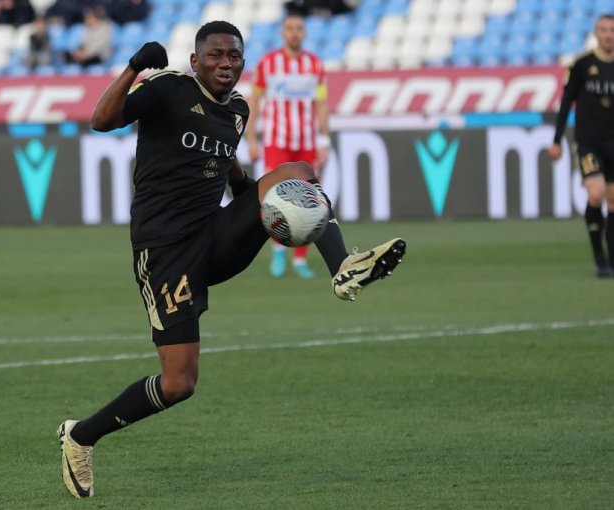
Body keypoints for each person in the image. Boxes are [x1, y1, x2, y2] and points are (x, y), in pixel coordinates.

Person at [57, 21, 406, 499]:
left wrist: (262, 205)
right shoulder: (168, 88)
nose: (226, 63)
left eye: (234, 56)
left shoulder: (238, 109)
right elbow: (101, 119)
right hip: (165, 253)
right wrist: (135, 67)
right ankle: (81, 436)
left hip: (213, 237)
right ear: (195, 61)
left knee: (297, 172)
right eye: (216, 55)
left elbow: (229, 167)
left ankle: (344, 267)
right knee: (179, 383)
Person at [246, 11, 330, 279]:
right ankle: (279, 250)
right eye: (290, 28)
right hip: (277, 141)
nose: (294, 33)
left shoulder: (315, 65)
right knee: (274, 197)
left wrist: (324, 140)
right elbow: (254, 101)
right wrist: (251, 137)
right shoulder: (268, 64)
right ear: (283, 32)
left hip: (306, 142)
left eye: (299, 28)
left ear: (304, 33)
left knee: (310, 199)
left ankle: (301, 259)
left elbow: (322, 104)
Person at [550, 14, 614, 278]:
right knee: (596, 195)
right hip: (589, 142)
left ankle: (611, 260)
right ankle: (599, 257)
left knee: (613, 202)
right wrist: (556, 140)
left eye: (612, 30)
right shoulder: (582, 65)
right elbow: (566, 102)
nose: (608, 35)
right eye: (603, 30)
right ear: (596, 34)